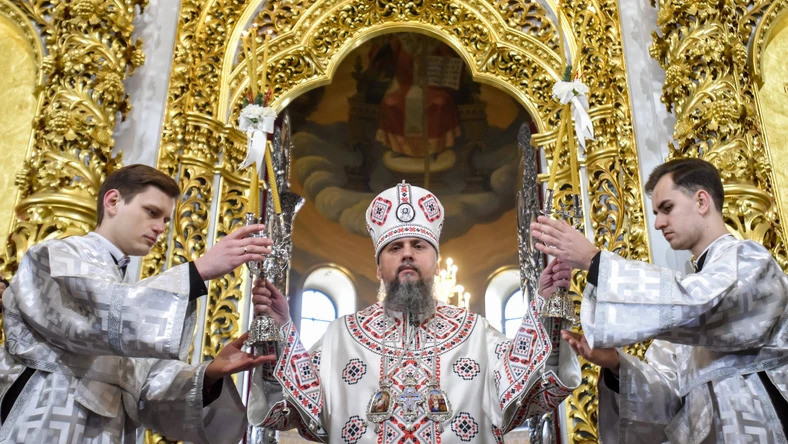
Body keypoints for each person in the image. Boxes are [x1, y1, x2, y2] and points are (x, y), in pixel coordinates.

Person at [248, 181, 580, 442]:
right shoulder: (340, 336)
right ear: (378, 268)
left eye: (418, 246)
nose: (407, 253)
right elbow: (288, 409)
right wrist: (280, 330)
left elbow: (532, 390)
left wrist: (545, 309)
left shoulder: (475, 332)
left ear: (435, 263)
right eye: (395, 247)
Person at [0, 164, 275, 443]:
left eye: (167, 221)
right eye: (152, 212)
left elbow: (145, 388)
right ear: (113, 201)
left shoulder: (124, 292)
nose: (160, 228)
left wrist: (210, 374)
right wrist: (198, 271)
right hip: (46, 420)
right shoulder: (55, 255)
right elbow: (94, 318)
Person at [531, 158, 788, 443]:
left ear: (702, 201)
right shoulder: (682, 305)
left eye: (667, 208)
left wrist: (595, 262)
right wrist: (617, 367)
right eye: (655, 212)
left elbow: (703, 304)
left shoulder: (750, 262)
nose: (658, 223)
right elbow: (665, 400)